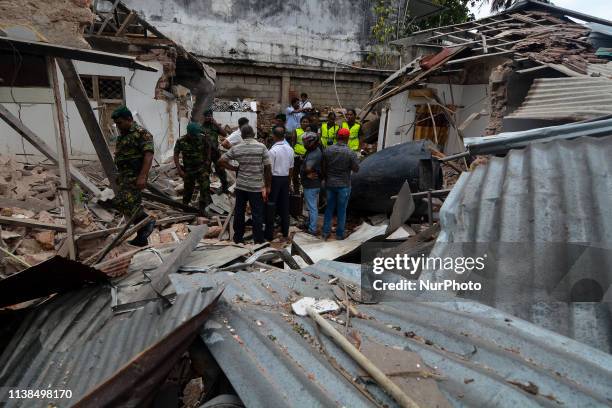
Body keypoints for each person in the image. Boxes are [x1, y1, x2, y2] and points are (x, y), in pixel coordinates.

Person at [218, 125, 272, 244]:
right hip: (256, 187)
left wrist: (234, 168)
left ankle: (238, 238)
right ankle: (258, 240)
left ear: (242, 136)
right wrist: (268, 186)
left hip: (241, 186)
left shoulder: (237, 148)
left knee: (239, 212)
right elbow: (268, 168)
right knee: (257, 213)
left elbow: (221, 161)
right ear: (253, 134)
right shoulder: (262, 147)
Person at [111, 105, 155, 247]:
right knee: (122, 203)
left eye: (120, 123)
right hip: (124, 176)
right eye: (116, 123)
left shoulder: (142, 133)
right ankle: (142, 235)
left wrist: (143, 176)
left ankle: (147, 222)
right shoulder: (122, 136)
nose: (118, 126)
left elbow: (148, 155)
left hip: (135, 176)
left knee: (129, 203)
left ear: (129, 119)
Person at [322, 127, 359, 240]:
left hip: (330, 184)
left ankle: (325, 232)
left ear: (337, 137)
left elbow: (323, 167)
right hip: (344, 185)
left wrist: (326, 178)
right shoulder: (350, 153)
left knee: (329, 208)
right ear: (347, 138)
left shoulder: (328, 150)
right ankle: (339, 234)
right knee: (342, 210)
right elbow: (356, 169)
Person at [173, 122, 215, 215]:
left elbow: (209, 147)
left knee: (205, 187)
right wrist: (179, 170)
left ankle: (202, 209)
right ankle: (185, 207)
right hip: (189, 169)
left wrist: (208, 159)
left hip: (201, 168)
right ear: (188, 133)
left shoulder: (202, 138)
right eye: (193, 135)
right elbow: (176, 155)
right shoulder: (181, 141)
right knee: (188, 189)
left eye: (196, 135)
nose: (195, 137)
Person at [265, 126, 294, 241]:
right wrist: (289, 182)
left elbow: (269, 170)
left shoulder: (273, 151)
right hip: (286, 178)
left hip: (275, 179)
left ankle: (269, 233)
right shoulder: (290, 149)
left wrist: (268, 185)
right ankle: (285, 231)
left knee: (271, 205)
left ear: (274, 136)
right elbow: (291, 168)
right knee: (285, 205)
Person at [202, 109, 229, 192]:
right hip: (205, 153)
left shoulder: (215, 126)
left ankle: (225, 187)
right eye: (207, 116)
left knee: (220, 169)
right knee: (205, 171)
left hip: (216, 152)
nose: (208, 118)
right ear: (204, 117)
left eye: (210, 116)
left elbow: (224, 134)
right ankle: (205, 189)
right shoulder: (201, 127)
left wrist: (216, 124)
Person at [300, 132, 322, 236]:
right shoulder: (312, 150)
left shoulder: (314, 154)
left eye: (306, 142)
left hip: (311, 184)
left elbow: (308, 168)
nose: (304, 144)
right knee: (311, 205)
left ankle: (312, 229)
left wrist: (305, 172)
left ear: (312, 142)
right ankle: (309, 223)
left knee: (312, 207)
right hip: (312, 184)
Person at [291, 115, 310, 192]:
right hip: (297, 155)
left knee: (305, 174)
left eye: (306, 122)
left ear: (309, 123)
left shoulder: (310, 132)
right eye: (303, 122)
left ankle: (305, 190)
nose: (305, 123)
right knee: (295, 174)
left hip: (307, 156)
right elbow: (293, 143)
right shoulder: (296, 131)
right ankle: (296, 191)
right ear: (300, 123)